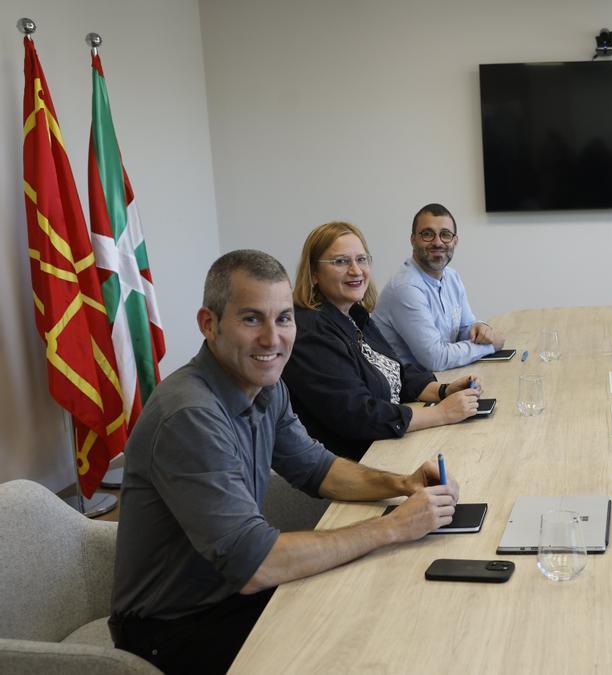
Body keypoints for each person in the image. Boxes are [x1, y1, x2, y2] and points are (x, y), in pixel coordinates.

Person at [109, 250, 461, 673]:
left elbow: (318, 468)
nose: (273, 339)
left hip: (232, 595)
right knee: (358, 648)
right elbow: (256, 564)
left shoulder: (266, 385)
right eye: (251, 319)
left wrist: (402, 485)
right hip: (173, 630)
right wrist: (393, 526)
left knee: (382, 608)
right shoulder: (189, 416)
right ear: (209, 323)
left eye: (283, 319)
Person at [283, 221, 480, 461]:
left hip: (389, 441)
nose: (356, 270)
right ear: (313, 273)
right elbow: (358, 414)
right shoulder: (310, 331)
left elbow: (395, 371)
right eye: (341, 261)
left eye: (362, 259)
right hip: (360, 459)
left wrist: (443, 391)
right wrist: (441, 414)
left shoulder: (355, 314)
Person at [375, 203, 504, 371]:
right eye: (427, 234)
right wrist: (490, 346)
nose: (437, 242)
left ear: (455, 241)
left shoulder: (451, 277)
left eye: (445, 235)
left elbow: (465, 327)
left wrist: (479, 328)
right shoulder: (405, 288)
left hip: (438, 380)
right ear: (413, 240)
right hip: (406, 391)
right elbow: (435, 359)